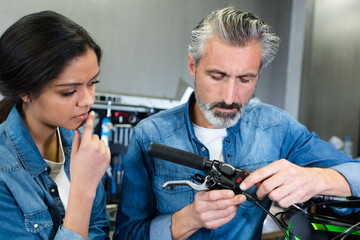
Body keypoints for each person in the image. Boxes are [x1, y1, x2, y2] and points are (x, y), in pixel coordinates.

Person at [114, 7, 360, 240]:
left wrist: (319, 178)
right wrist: (186, 220)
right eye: (217, 76)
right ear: (193, 66)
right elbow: (126, 234)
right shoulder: (149, 136)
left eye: (245, 79)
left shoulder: (277, 128)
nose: (230, 98)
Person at [0, 11, 111, 239]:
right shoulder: (4, 171)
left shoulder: (80, 146)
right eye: (68, 91)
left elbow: (98, 228)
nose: (88, 100)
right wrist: (83, 190)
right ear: (26, 91)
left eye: (92, 83)